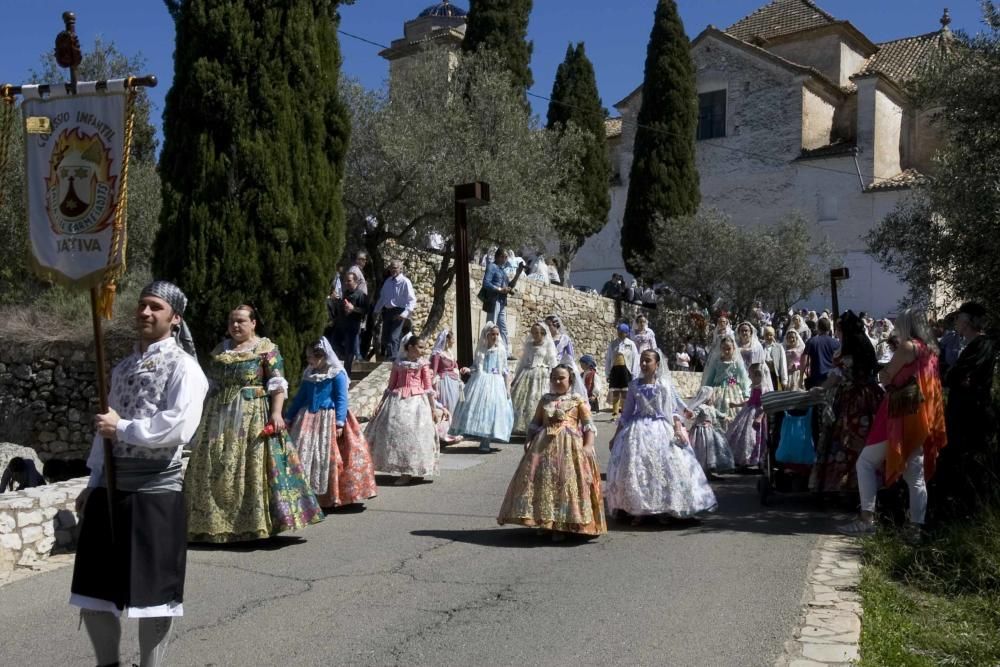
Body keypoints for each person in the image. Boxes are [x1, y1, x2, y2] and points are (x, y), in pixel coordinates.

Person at [70, 281, 209, 667]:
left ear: (175, 318)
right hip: (110, 488)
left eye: (156, 308)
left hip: (155, 491)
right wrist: (94, 481)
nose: (145, 313)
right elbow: (103, 430)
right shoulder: (122, 367)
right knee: (95, 592)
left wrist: (125, 429)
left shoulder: (185, 368)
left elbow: (180, 425)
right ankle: (108, 664)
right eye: (142, 306)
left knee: (153, 596)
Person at [186, 305, 323, 542]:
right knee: (214, 464)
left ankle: (251, 524)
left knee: (252, 466)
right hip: (217, 416)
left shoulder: (265, 349)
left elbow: (278, 382)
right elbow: (209, 384)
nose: (235, 326)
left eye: (240, 321)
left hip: (251, 415)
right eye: (232, 321)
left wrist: (277, 413)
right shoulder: (221, 349)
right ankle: (206, 524)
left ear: (253, 324)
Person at [839, 309, 947, 540]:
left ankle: (867, 519)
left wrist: (886, 374)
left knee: (866, 462)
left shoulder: (908, 347)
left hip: (899, 414)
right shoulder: (932, 350)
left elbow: (886, 375)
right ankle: (915, 528)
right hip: (920, 417)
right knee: (915, 476)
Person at [606, 349, 717, 525]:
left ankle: (664, 507)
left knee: (666, 467)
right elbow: (626, 414)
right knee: (637, 469)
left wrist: (678, 428)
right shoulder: (634, 385)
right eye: (642, 361)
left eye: (647, 361)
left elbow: (672, 410)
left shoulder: (664, 385)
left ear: (657, 364)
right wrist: (616, 435)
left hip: (661, 429)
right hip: (638, 431)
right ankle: (639, 509)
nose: (643, 364)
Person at [497, 365, 606, 541]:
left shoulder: (577, 400)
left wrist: (588, 445)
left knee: (566, 483)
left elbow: (588, 425)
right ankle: (545, 521)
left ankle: (563, 524)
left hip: (570, 447)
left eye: (561, 378)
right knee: (543, 484)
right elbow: (535, 422)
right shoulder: (545, 399)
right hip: (543, 446)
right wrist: (528, 439)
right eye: (554, 378)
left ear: (570, 380)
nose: (556, 381)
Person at [286, 338, 376, 509]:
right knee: (304, 454)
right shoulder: (309, 374)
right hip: (307, 419)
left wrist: (340, 422)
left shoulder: (337, 373)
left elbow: (342, 399)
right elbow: (300, 398)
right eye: (308, 358)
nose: (309, 361)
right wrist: (289, 417)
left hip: (330, 418)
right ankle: (305, 494)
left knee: (331, 456)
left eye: (311, 357)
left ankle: (331, 495)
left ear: (323, 356)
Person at [810, 311, 883, 495]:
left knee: (845, 439)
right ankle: (872, 484)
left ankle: (848, 484)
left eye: (840, 329)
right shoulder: (866, 346)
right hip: (872, 396)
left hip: (852, 399)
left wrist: (821, 388)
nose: (838, 332)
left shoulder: (847, 351)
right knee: (870, 439)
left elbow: (836, 375)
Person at [934, 302, 996, 517]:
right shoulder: (969, 345)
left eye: (960, 319)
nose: (956, 323)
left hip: (973, 416)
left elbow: (955, 375)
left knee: (972, 465)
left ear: (969, 321)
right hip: (960, 413)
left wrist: (953, 374)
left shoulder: (983, 344)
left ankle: (973, 512)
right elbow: (953, 376)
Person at [366, 336, 439, 485]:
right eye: (420, 347)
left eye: (424, 347)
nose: (423, 350)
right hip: (397, 400)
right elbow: (391, 386)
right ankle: (402, 469)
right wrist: (380, 405)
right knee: (395, 433)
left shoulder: (423, 364)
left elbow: (428, 387)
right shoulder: (398, 363)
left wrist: (433, 408)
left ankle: (411, 470)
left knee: (415, 435)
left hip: (417, 402)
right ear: (410, 347)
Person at [450, 322, 515, 453]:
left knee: (492, 410)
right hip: (480, 380)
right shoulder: (481, 350)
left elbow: (504, 370)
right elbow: (476, 366)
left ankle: (486, 440)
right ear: (487, 335)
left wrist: (507, 388)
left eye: (497, 334)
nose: (495, 337)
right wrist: (468, 369)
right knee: (480, 409)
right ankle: (477, 436)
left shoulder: (501, 351)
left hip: (495, 382)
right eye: (492, 334)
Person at [509, 322, 559, 434]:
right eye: (533, 332)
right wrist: (516, 378)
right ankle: (523, 426)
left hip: (541, 375)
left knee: (536, 399)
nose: (535, 334)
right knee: (522, 400)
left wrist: (554, 377)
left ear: (542, 333)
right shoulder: (529, 345)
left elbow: (552, 361)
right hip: (527, 373)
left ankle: (538, 426)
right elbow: (523, 362)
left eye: (537, 332)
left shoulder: (547, 345)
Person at [701, 335, 750, 429]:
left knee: (734, 412)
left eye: (729, 349)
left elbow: (744, 379)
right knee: (716, 410)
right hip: (718, 390)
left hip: (733, 390)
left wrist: (746, 394)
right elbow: (710, 379)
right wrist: (706, 393)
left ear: (733, 348)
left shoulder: (736, 362)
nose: (726, 351)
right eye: (724, 349)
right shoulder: (717, 362)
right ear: (720, 349)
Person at [686, 387, 735, 477]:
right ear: (706, 396)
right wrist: (691, 414)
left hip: (711, 431)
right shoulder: (701, 407)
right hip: (701, 432)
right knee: (703, 449)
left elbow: (719, 414)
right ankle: (702, 471)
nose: (713, 398)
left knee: (712, 449)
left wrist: (727, 417)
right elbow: (694, 414)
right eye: (712, 396)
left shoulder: (712, 408)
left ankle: (709, 471)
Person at [327, 269, 368, 376]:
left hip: (352, 327)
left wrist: (353, 308)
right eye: (345, 281)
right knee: (334, 344)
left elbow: (365, 310)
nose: (346, 283)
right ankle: (345, 360)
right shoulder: (345, 293)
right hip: (341, 326)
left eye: (349, 281)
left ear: (356, 282)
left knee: (349, 352)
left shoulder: (361, 295)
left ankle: (347, 374)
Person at [373, 259, 417, 360]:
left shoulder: (405, 282)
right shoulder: (388, 282)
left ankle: (393, 359)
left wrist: (405, 314)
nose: (393, 270)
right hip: (388, 312)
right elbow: (382, 298)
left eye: (395, 268)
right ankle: (391, 356)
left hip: (399, 311)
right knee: (385, 337)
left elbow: (412, 299)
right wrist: (376, 310)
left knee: (394, 336)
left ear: (400, 269)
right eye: (391, 268)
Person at [726, 365, 767, 469]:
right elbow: (750, 401)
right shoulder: (754, 387)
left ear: (758, 375)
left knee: (752, 435)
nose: (749, 376)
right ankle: (741, 456)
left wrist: (759, 417)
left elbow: (765, 404)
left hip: (757, 413)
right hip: (749, 411)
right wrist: (737, 404)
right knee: (739, 431)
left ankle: (752, 457)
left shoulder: (763, 388)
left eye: (751, 374)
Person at [545, 314, 589, 399]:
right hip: (546, 366)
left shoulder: (564, 338)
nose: (547, 328)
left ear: (556, 325)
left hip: (559, 366)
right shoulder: (546, 339)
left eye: (549, 325)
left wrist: (568, 368)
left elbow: (570, 356)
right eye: (546, 325)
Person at [481, 248, 518, 349]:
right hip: (493, 300)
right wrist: (500, 289)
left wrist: (518, 274)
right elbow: (486, 283)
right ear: (498, 256)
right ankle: (488, 347)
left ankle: (506, 352)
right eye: (503, 257)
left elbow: (509, 285)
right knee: (491, 325)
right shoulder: (492, 267)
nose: (505, 259)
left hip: (501, 301)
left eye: (506, 257)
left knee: (503, 328)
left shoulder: (502, 271)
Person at [605, 323, 640, 418]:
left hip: (626, 370)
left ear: (627, 333)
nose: (620, 334)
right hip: (615, 370)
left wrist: (634, 373)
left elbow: (635, 359)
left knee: (625, 392)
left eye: (622, 332)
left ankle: (624, 412)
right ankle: (615, 413)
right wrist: (607, 373)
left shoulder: (630, 344)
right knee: (615, 391)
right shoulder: (613, 344)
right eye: (619, 332)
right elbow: (608, 359)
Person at [429, 329, 463, 417]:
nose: (454, 340)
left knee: (458, 403)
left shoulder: (450, 353)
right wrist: (433, 386)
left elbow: (455, 366)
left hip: (454, 381)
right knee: (448, 404)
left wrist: (458, 375)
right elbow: (433, 370)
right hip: (445, 382)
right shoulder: (438, 354)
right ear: (447, 340)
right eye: (453, 338)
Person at [801, 317, 840, 389]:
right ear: (829, 328)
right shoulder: (836, 343)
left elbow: (804, 359)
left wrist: (801, 378)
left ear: (818, 327)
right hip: (832, 377)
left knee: (816, 399)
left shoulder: (812, 341)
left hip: (816, 377)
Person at [736, 321, 773, 392]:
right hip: (739, 375)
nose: (744, 333)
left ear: (750, 332)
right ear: (739, 333)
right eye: (742, 331)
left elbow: (759, 363)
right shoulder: (735, 345)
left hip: (754, 374)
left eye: (746, 330)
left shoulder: (756, 346)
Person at [761, 325, 788, 391]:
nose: (768, 337)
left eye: (771, 335)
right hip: (763, 376)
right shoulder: (760, 347)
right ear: (764, 336)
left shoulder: (779, 347)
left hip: (775, 376)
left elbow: (783, 363)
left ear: (774, 336)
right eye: (766, 335)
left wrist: (784, 380)